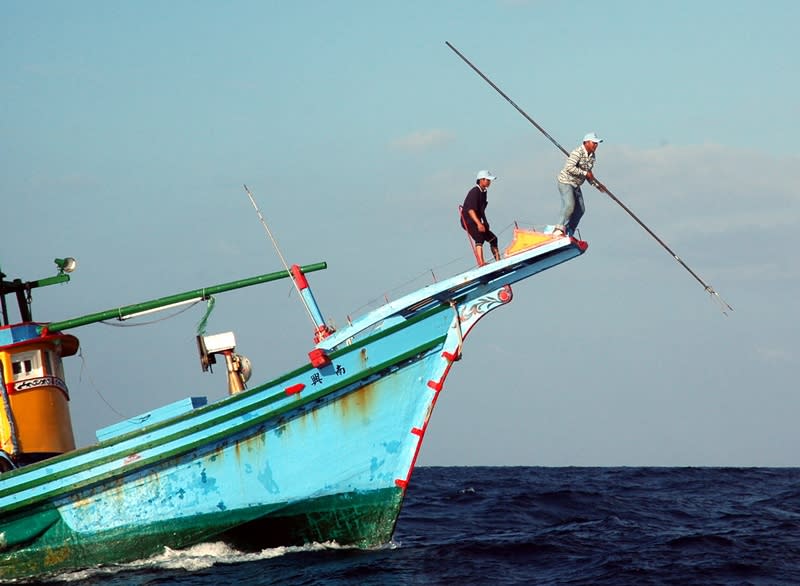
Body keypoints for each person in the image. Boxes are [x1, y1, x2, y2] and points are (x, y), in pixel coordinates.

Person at [555, 132, 604, 237]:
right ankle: (558, 229)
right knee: (569, 205)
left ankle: (569, 231)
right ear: (586, 143)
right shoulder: (577, 153)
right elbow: (569, 167)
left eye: (597, 143)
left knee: (581, 210)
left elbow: (588, 175)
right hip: (566, 182)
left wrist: (597, 185)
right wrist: (585, 173)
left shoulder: (592, 157)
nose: (596, 146)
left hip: (576, 185)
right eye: (594, 143)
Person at [461, 170, 501, 266]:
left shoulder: (484, 192)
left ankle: (499, 262)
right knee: (479, 237)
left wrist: (485, 222)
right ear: (481, 180)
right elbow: (471, 210)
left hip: (477, 219)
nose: (489, 182)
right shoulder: (475, 191)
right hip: (468, 220)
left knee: (493, 239)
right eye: (488, 180)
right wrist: (479, 224)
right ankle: (481, 263)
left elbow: (481, 210)